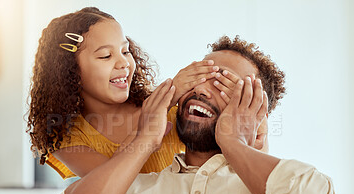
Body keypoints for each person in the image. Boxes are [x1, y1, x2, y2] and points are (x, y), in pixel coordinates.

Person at [48, 36, 336, 194]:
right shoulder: (135, 193)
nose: (204, 91)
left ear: (257, 118)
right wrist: (145, 137)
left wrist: (234, 142)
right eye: (200, 76)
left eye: (226, 86)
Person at [26, 7, 219, 178]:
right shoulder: (65, 136)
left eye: (125, 51)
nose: (124, 63)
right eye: (106, 56)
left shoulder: (172, 113)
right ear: (70, 70)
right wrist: (162, 103)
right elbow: (109, 182)